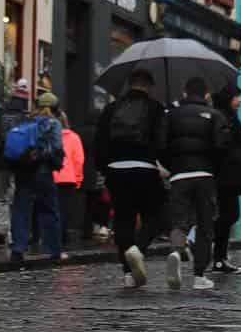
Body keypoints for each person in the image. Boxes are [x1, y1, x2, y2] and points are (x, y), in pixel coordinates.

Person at [94, 66, 169, 287]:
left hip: (116, 169)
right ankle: (138, 248)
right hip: (145, 168)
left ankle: (128, 273)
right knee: (155, 216)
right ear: (149, 86)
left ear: (130, 83)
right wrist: (161, 164)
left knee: (123, 219)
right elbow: (162, 142)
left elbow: (100, 142)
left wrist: (104, 169)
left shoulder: (111, 108)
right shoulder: (156, 108)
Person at [161, 77, 230, 292]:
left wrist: (172, 166)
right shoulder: (216, 115)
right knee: (205, 225)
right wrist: (212, 168)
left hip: (179, 175)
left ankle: (175, 250)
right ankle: (199, 276)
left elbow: (160, 144)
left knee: (179, 220)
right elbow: (223, 146)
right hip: (205, 175)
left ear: (184, 92)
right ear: (206, 94)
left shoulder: (170, 115)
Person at [7, 91, 64, 264]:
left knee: (21, 209)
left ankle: (18, 248)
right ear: (55, 108)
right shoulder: (53, 123)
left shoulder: (25, 120)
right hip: (43, 172)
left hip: (23, 171)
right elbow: (56, 147)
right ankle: (53, 250)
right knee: (49, 210)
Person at [211, 81, 241, 273]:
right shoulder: (224, 117)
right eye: (236, 97)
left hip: (231, 172)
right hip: (227, 173)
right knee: (229, 214)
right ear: (228, 98)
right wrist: (238, 148)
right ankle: (215, 254)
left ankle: (218, 258)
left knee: (228, 214)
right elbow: (222, 143)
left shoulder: (228, 116)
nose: (239, 100)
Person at [0, 77, 30, 245]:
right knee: (17, 197)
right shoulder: (26, 116)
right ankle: (15, 232)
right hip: (19, 163)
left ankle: (0, 231)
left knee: (0, 196)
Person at [53, 110, 86, 243]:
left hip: (50, 176)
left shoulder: (48, 135)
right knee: (64, 209)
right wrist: (78, 179)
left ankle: (49, 236)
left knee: (50, 208)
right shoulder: (74, 137)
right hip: (68, 178)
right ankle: (62, 236)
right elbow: (79, 160)